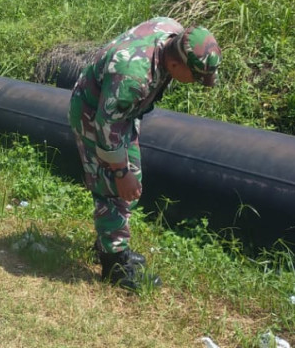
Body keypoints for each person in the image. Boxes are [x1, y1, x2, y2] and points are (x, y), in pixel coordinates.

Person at [68, 17, 221, 291]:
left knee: (131, 180)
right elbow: (106, 126)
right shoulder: (133, 78)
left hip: (120, 111)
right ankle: (114, 264)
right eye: (195, 77)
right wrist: (119, 171)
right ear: (175, 65)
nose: (196, 83)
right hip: (94, 116)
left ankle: (109, 241)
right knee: (114, 188)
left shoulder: (171, 30)